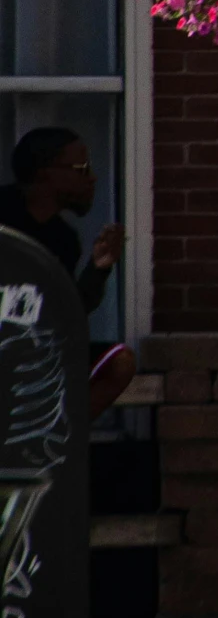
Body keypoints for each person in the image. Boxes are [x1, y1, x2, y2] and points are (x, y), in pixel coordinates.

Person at [0, 125, 136, 416]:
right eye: (82, 168)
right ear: (45, 174)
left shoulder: (62, 240)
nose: (92, 177)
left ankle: (56, 444)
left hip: (33, 356)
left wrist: (99, 267)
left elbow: (66, 312)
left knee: (119, 363)